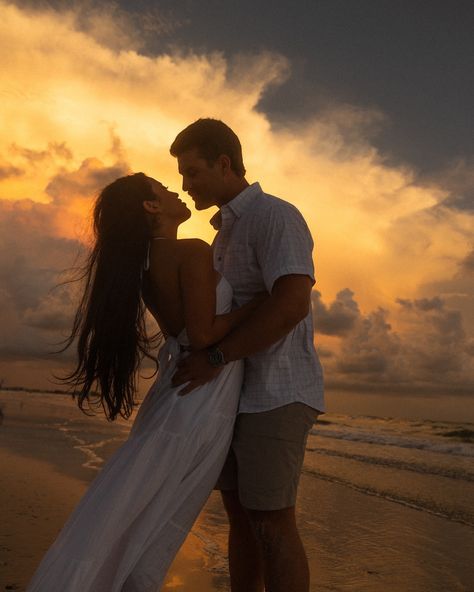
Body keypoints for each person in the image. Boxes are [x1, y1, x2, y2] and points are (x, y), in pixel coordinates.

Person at [27, 172, 265, 591]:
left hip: (184, 396)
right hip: (200, 401)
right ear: (153, 208)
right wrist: (261, 304)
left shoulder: (149, 266)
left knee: (138, 516)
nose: (176, 192)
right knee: (156, 523)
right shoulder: (189, 251)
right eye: (165, 189)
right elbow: (205, 334)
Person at [170, 118, 325, 592]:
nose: (186, 185)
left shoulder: (274, 216)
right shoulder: (223, 235)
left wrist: (215, 359)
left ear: (224, 163)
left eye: (192, 172)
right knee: (240, 517)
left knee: (271, 521)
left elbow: (293, 303)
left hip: (276, 392)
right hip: (235, 396)